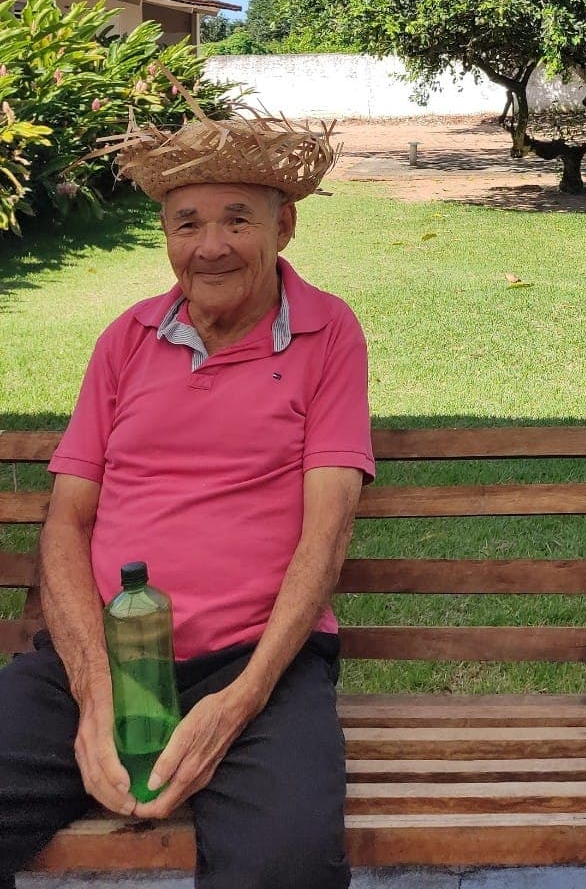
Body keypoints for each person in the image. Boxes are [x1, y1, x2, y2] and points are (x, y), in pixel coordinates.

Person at [0, 103, 373, 889]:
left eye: (237, 219)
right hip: (102, 653)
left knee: (286, 868)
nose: (209, 247)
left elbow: (327, 535)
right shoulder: (125, 339)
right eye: (185, 223)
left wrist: (237, 704)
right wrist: (94, 691)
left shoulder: (328, 333)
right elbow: (66, 523)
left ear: (286, 225)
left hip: (257, 663)